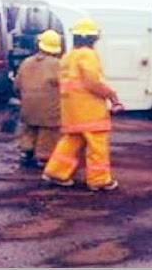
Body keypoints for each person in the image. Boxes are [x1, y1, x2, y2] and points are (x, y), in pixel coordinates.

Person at [41, 18, 124, 191]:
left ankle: (56, 173)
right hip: (89, 110)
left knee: (72, 140)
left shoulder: (68, 56)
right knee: (97, 145)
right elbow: (93, 82)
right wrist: (111, 95)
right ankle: (99, 180)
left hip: (71, 110)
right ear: (92, 38)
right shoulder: (88, 54)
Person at [13, 29, 63, 168]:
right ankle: (43, 158)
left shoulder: (26, 62)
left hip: (28, 107)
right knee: (48, 133)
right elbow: (65, 85)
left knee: (30, 129)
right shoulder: (57, 64)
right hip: (49, 109)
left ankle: (26, 152)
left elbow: (17, 85)